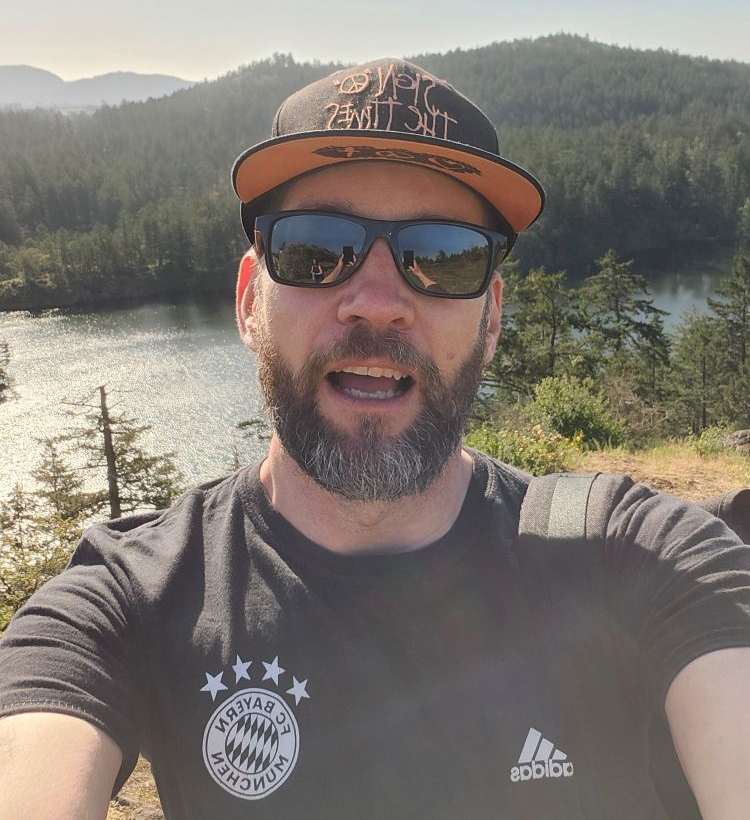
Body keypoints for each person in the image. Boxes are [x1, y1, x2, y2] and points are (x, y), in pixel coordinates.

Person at [0, 57, 749, 820]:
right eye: (314, 248)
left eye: (443, 256)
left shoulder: (635, 556)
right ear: (249, 302)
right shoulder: (131, 603)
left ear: (491, 320)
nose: (378, 303)